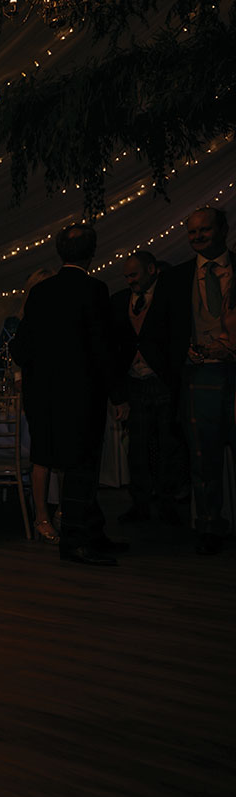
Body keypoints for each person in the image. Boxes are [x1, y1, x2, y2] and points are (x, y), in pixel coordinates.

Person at [11, 224, 127, 566]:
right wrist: (117, 394)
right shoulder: (94, 289)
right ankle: (76, 542)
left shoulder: (40, 293)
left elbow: (21, 349)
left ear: (60, 253)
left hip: (45, 398)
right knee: (82, 468)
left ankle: (93, 534)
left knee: (68, 465)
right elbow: (102, 348)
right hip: (81, 396)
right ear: (92, 253)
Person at [164, 206, 236, 555]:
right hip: (198, 377)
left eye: (204, 230)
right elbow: (165, 333)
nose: (197, 237)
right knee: (203, 459)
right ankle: (209, 526)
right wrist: (182, 354)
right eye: (192, 232)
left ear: (223, 229)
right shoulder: (177, 278)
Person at [110, 251, 184, 526]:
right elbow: (114, 347)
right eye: (127, 276)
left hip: (162, 380)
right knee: (137, 449)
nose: (130, 281)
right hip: (134, 382)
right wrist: (118, 394)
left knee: (169, 445)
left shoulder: (169, 297)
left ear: (152, 269)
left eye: (134, 275)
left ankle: (168, 503)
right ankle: (139, 503)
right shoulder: (118, 301)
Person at [6, 268, 58, 542]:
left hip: (62, 392)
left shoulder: (63, 316)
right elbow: (18, 354)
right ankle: (42, 517)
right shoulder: (27, 323)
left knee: (64, 455)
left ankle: (62, 512)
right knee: (42, 456)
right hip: (40, 393)